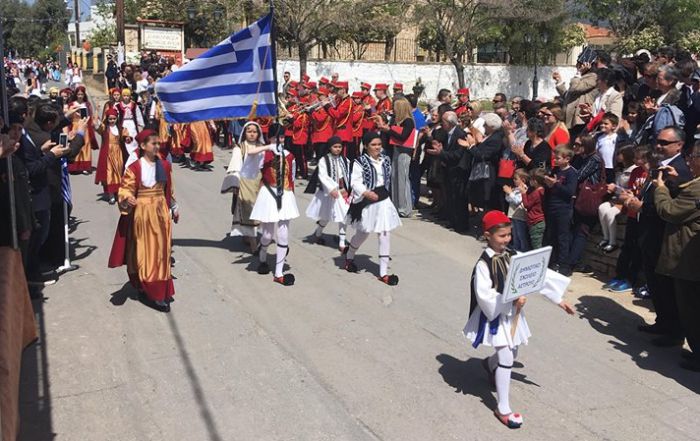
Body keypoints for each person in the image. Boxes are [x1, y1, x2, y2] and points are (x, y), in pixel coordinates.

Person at [463, 210, 574, 429]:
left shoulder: (512, 254)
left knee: (512, 352)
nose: (506, 240)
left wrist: (558, 300)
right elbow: (484, 295)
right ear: (488, 235)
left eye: (508, 235)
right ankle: (502, 407)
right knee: (506, 355)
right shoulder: (483, 264)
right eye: (501, 236)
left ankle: (489, 364)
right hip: (494, 315)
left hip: (512, 313)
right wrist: (510, 302)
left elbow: (535, 275)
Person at [625, 127, 692, 344]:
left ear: (679, 145)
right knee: (655, 284)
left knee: (666, 287)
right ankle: (663, 322)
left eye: (665, 142)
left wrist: (642, 206)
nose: (659, 146)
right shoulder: (659, 166)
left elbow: (674, 207)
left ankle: (673, 332)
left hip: (663, 237)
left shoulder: (682, 169)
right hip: (649, 235)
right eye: (658, 141)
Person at [108, 130, 178, 312]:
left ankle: (159, 289)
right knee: (147, 251)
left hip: (161, 213)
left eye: (158, 143)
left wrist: (174, 207)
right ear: (142, 146)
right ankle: (149, 289)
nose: (157, 146)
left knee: (162, 252)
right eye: (153, 143)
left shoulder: (164, 165)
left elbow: (168, 189)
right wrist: (127, 197)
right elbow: (125, 189)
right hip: (143, 213)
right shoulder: (135, 168)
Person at [653, 141, 700, 371]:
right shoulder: (694, 184)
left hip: (689, 257)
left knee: (690, 308)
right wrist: (678, 182)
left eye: (693, 157)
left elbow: (670, 211)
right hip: (687, 255)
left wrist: (660, 188)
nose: (689, 161)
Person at [344, 131, 402, 285]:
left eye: (379, 144)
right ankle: (350, 255)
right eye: (373, 145)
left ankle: (383, 272)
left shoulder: (386, 160)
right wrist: (366, 192)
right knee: (363, 233)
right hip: (367, 200)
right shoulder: (360, 162)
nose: (377, 147)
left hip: (383, 200)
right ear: (366, 146)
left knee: (384, 233)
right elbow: (355, 181)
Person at [250, 132, 299, 286]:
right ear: (269, 138)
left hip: (285, 195)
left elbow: (292, 177)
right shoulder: (264, 153)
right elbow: (248, 153)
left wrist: (291, 196)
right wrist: (267, 147)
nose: (279, 140)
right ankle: (263, 255)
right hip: (269, 194)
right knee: (267, 234)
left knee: (283, 233)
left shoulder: (290, 155)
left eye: (282, 137)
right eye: (275, 137)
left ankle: (279, 273)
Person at [604, 146, 649, 293]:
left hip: (642, 216)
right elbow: (630, 191)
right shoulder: (635, 172)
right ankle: (620, 275)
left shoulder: (651, 173)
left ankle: (631, 279)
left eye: (639, 157)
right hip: (631, 213)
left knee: (637, 249)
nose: (636, 161)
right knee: (627, 246)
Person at [306, 136, 351, 252]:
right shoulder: (324, 160)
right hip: (329, 192)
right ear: (330, 147)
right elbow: (323, 176)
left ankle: (342, 241)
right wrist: (331, 189)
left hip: (342, 192)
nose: (337, 149)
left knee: (344, 216)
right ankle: (318, 233)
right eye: (335, 147)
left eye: (339, 147)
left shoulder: (345, 160)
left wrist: (349, 187)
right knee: (325, 216)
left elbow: (349, 175)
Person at [227, 121, 265, 252]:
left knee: (259, 210)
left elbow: (264, 166)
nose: (252, 134)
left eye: (254, 131)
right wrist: (235, 183)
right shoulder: (239, 148)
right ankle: (254, 246)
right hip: (244, 182)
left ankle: (247, 236)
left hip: (258, 182)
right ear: (245, 133)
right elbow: (235, 166)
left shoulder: (262, 147)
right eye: (249, 131)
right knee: (248, 210)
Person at [376, 98, 416, 217]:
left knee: (403, 178)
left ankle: (404, 208)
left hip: (404, 151)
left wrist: (389, 130)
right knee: (394, 177)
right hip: (396, 149)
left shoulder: (408, 121)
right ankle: (395, 205)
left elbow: (403, 136)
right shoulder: (396, 120)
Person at [544, 145, 578, 276]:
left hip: (563, 208)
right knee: (551, 235)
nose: (555, 160)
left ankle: (564, 265)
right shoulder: (555, 170)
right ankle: (553, 261)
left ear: (567, 159)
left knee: (563, 237)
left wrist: (556, 184)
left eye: (558, 158)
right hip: (552, 206)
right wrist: (548, 184)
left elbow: (570, 192)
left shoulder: (571, 173)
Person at [597, 145, 637, 253]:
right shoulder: (620, 168)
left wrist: (616, 188)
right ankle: (606, 238)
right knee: (602, 208)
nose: (618, 156)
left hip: (624, 200)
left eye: (620, 154)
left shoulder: (633, 170)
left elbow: (629, 190)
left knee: (610, 214)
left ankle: (612, 242)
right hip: (616, 198)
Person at [95, 108, 127, 204]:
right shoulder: (105, 128)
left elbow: (125, 136)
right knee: (110, 174)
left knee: (119, 173)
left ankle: (118, 192)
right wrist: (96, 113)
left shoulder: (120, 128)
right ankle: (111, 195)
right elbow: (97, 127)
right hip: (108, 153)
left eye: (114, 119)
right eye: (110, 119)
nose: (112, 121)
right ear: (107, 119)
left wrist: (128, 138)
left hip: (118, 153)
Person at [503, 169, 529, 251]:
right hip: (513, 215)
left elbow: (518, 201)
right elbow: (508, 199)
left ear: (523, 180)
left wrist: (510, 193)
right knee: (515, 234)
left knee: (521, 235)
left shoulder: (524, 188)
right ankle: (516, 250)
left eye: (515, 179)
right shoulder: (515, 189)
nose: (513, 180)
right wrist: (508, 193)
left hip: (520, 216)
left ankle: (524, 251)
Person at [520, 168, 547, 249]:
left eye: (531, 179)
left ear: (535, 181)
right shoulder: (542, 190)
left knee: (536, 245)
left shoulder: (537, 193)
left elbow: (527, 205)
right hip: (537, 221)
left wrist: (523, 193)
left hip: (536, 221)